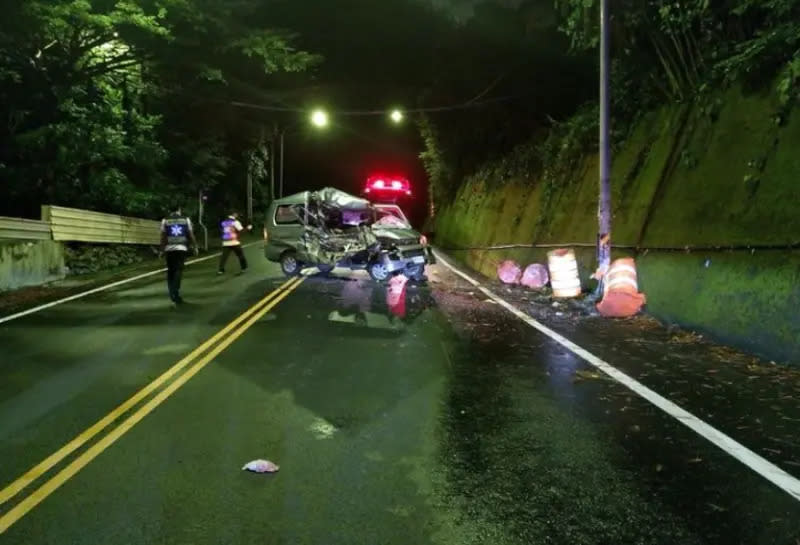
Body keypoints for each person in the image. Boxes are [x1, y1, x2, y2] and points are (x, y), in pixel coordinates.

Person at [160, 203, 198, 305]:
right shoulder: (186, 219)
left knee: (170, 271)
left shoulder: (165, 220)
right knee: (178, 269)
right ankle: (175, 291)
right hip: (181, 248)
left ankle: (171, 292)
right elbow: (190, 234)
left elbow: (163, 237)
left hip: (169, 249)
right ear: (179, 209)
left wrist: (162, 250)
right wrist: (195, 246)